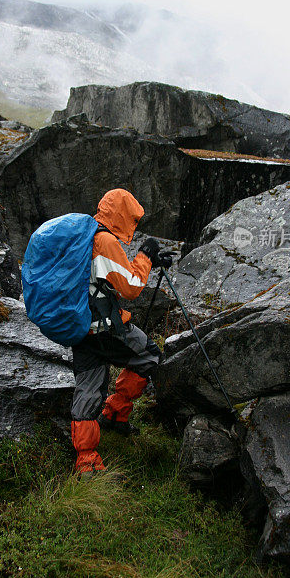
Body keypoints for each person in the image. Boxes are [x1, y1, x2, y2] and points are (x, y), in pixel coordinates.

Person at [70, 188, 168, 476]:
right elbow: (131, 287)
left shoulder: (86, 234)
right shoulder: (106, 241)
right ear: (123, 216)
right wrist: (146, 255)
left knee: (89, 387)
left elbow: (108, 274)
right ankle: (115, 412)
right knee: (149, 356)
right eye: (132, 218)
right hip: (107, 329)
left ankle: (86, 458)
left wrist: (152, 262)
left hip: (80, 328)